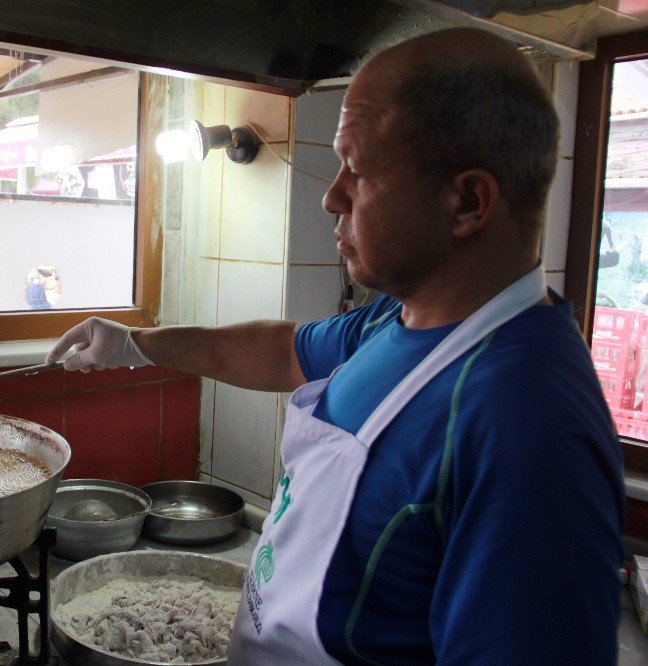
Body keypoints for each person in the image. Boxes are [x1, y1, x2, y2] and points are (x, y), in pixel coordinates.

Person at [46, 27, 625, 664]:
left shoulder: (529, 431)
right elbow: (281, 351)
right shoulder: (398, 323)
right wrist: (135, 344)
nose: (331, 196)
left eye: (360, 170)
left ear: (468, 201)